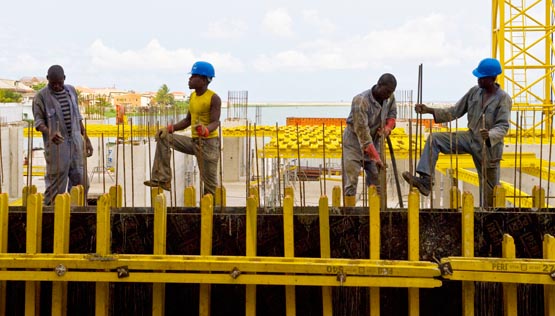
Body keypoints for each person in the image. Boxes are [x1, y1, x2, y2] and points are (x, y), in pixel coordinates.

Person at [402, 57, 512, 208]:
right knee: (435, 139)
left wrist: (490, 135)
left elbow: (503, 125)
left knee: (489, 189)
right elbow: (455, 111)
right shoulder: (474, 92)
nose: (478, 80)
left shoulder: (503, 99)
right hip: (471, 137)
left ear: (492, 78)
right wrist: (429, 110)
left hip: (489, 147)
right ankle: (426, 181)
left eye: (481, 77)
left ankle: (487, 215)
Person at [144, 61, 221, 197]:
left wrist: (206, 129)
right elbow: (187, 121)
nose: (189, 79)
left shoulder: (214, 98)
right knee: (164, 138)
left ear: (203, 80)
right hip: (194, 142)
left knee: (210, 188)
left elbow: (215, 122)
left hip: (208, 145)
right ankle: (162, 179)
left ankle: (211, 213)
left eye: (193, 76)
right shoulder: (192, 97)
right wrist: (169, 129)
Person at [32, 65, 93, 206]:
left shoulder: (71, 91)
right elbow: (38, 122)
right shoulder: (40, 97)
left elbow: (78, 117)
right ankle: (51, 215)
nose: (57, 86)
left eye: (60, 82)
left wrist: (86, 139)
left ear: (64, 78)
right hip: (57, 146)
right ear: (47, 79)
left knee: (82, 183)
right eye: (53, 83)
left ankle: (76, 213)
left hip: (76, 143)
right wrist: (50, 132)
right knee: (56, 185)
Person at [342, 73, 397, 206]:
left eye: (391, 92)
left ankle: (376, 216)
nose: (389, 95)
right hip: (354, 144)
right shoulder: (360, 102)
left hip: (375, 141)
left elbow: (392, 114)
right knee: (351, 183)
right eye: (387, 91)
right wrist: (376, 157)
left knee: (377, 182)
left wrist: (388, 128)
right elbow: (363, 136)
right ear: (379, 85)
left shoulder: (389, 98)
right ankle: (349, 217)